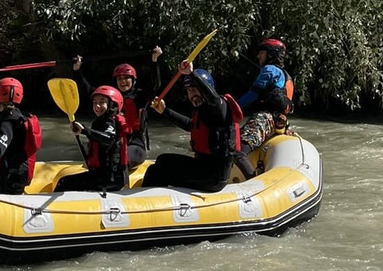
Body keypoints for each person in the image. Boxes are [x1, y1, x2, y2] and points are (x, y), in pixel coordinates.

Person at [141, 61, 242, 193]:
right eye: (189, 90)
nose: (191, 94)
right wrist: (165, 111)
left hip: (213, 178)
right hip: (202, 167)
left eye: (195, 89)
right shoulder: (202, 111)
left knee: (156, 171)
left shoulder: (219, 107)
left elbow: (214, 99)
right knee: (162, 159)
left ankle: (148, 204)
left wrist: (191, 74)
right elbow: (190, 125)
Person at [71, 46, 163, 168]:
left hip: (134, 145)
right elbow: (89, 91)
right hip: (112, 142)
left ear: (133, 80)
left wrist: (154, 61)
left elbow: (155, 85)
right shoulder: (110, 97)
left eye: (126, 78)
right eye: (119, 78)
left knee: (118, 158)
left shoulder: (140, 97)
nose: (122, 81)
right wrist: (77, 71)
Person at [233, 38, 295, 179]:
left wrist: (231, 106)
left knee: (237, 151)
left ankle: (253, 181)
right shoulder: (285, 75)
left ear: (271, 54)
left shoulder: (269, 70)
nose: (258, 56)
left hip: (265, 118)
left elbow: (253, 94)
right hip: (279, 122)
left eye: (261, 52)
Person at [53, 85, 128, 192]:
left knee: (64, 183)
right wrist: (81, 129)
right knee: (66, 181)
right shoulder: (100, 122)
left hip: (111, 180)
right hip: (100, 175)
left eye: (102, 102)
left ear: (113, 105)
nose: (97, 105)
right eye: (95, 102)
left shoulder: (110, 122)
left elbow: (108, 139)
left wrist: (84, 131)